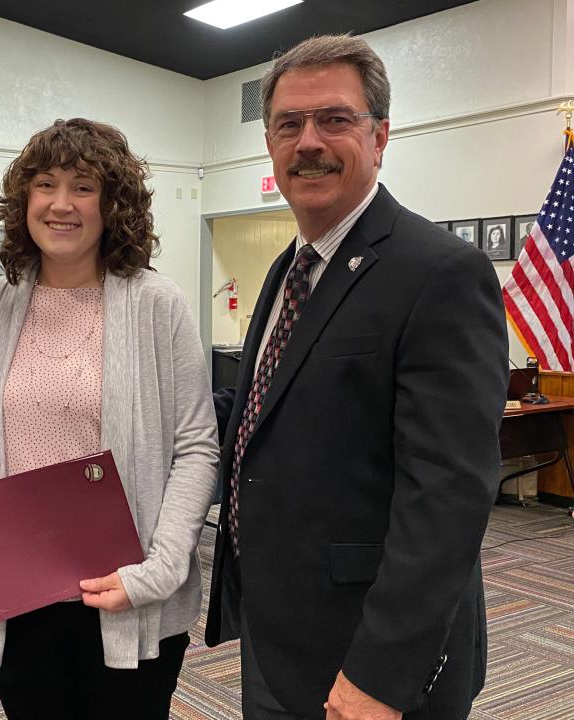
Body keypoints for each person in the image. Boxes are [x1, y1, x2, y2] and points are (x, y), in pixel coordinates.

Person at [205, 35, 508, 720]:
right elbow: (273, 411)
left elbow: (449, 497)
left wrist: (380, 674)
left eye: (334, 119)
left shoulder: (440, 273)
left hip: (373, 659)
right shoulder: (289, 269)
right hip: (279, 632)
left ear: (380, 137)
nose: (308, 141)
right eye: (288, 124)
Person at [0, 118, 219, 719]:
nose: (60, 204)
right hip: (21, 589)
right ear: (23, 200)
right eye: (45, 184)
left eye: (82, 186)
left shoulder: (157, 303)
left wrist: (157, 571)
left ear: (113, 203)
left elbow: (197, 448)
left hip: (126, 591)